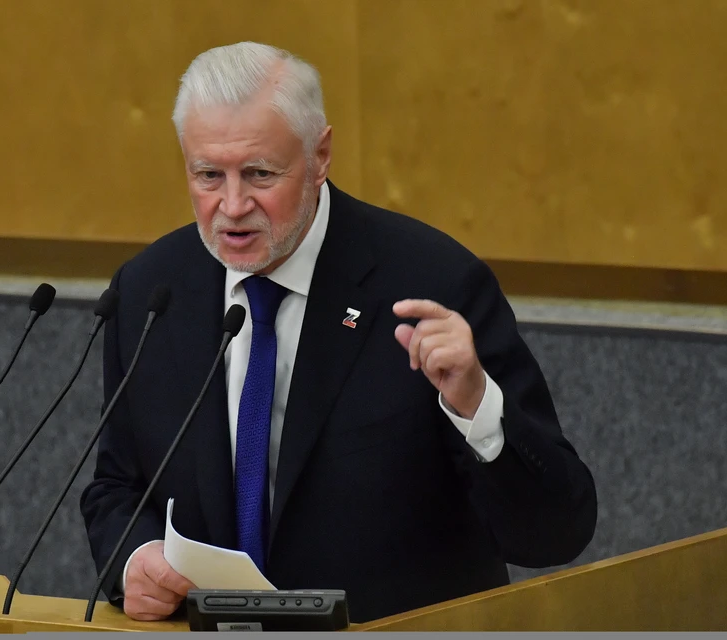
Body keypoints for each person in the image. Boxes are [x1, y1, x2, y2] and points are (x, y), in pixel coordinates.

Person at [80, 41, 597, 624]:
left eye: (259, 173)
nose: (233, 205)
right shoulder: (150, 293)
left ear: (320, 155)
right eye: (208, 175)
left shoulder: (433, 284)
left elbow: (557, 531)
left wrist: (477, 406)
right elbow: (117, 486)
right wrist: (134, 559)